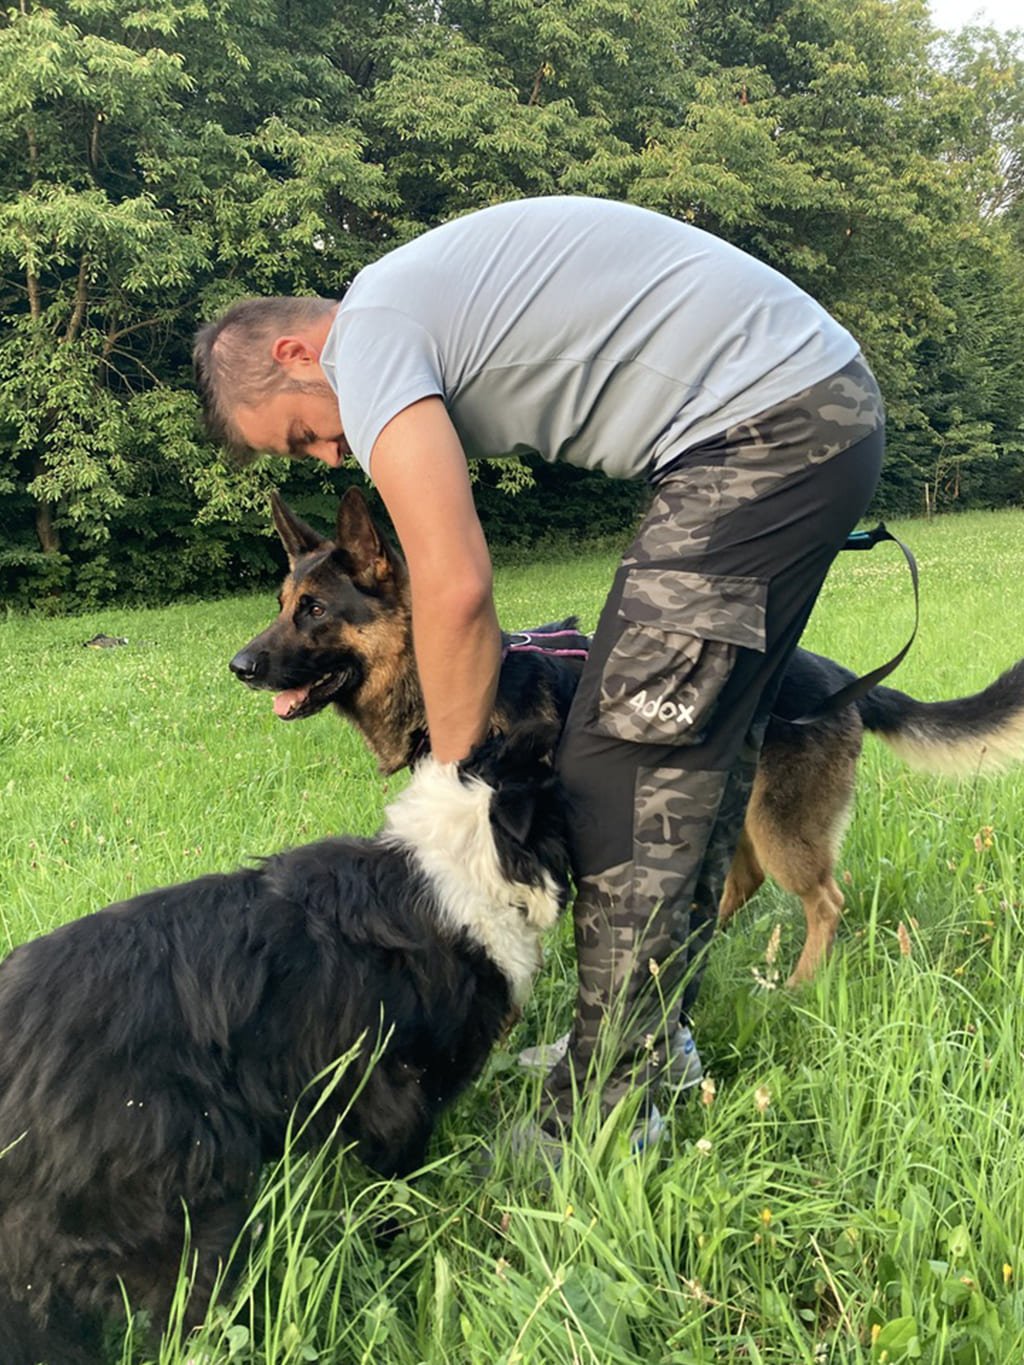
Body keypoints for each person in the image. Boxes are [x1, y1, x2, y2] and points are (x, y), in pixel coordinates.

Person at [194, 195, 884, 1142]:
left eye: (304, 433)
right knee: (694, 743)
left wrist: (453, 773)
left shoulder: (371, 339)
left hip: (766, 430)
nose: (331, 451)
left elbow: (455, 585)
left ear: (297, 357)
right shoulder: (408, 307)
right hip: (804, 414)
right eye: (310, 453)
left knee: (619, 761)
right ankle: (655, 1046)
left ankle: (609, 1105)